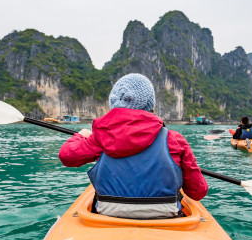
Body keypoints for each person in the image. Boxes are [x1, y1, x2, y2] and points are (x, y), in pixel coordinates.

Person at [59, 73, 208, 219]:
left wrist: (81, 135)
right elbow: (198, 192)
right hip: (166, 215)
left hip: (107, 215)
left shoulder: (100, 137)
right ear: (149, 104)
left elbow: (66, 156)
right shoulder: (175, 140)